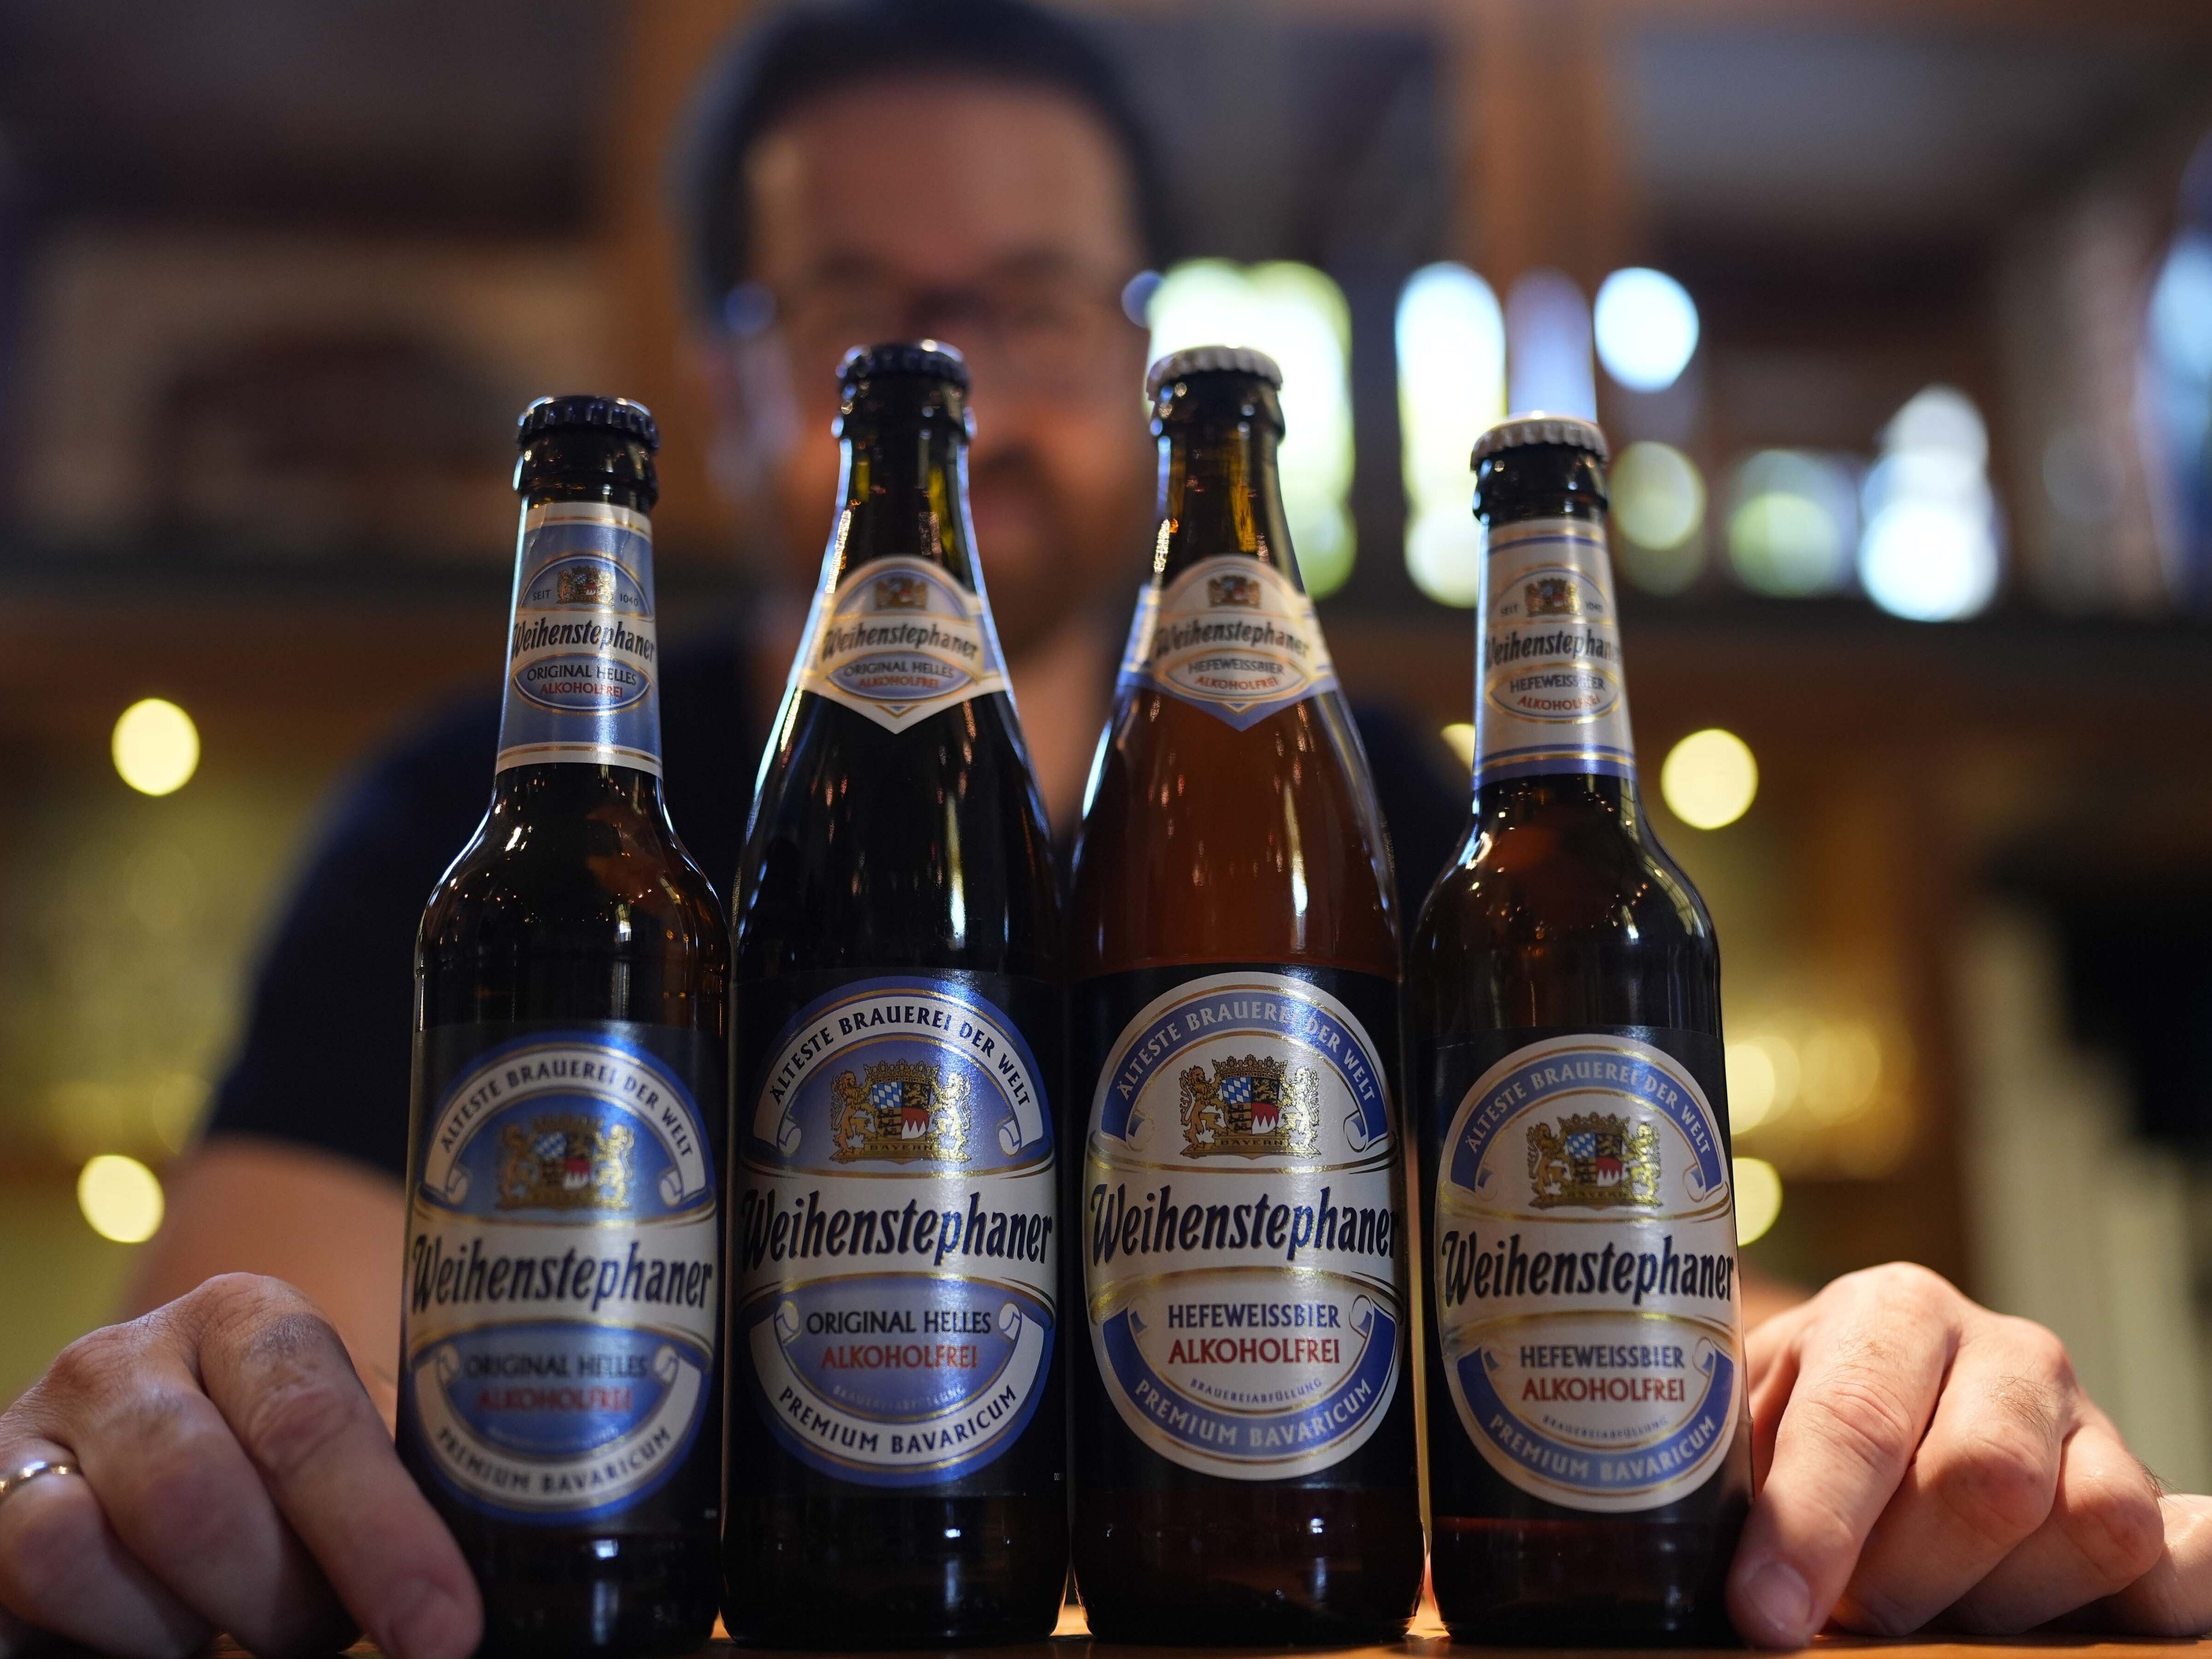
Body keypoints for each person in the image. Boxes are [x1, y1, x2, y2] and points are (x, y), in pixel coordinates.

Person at [0, 3, 2206, 1656]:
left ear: (1144, 354)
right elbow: (298, 1332)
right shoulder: (502, 819)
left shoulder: (1409, 813)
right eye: (864, 299)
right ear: (752, 370)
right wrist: (197, 1418)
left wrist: (1894, 1402)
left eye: (1025, 298)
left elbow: (1625, 1312)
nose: (946, 356)